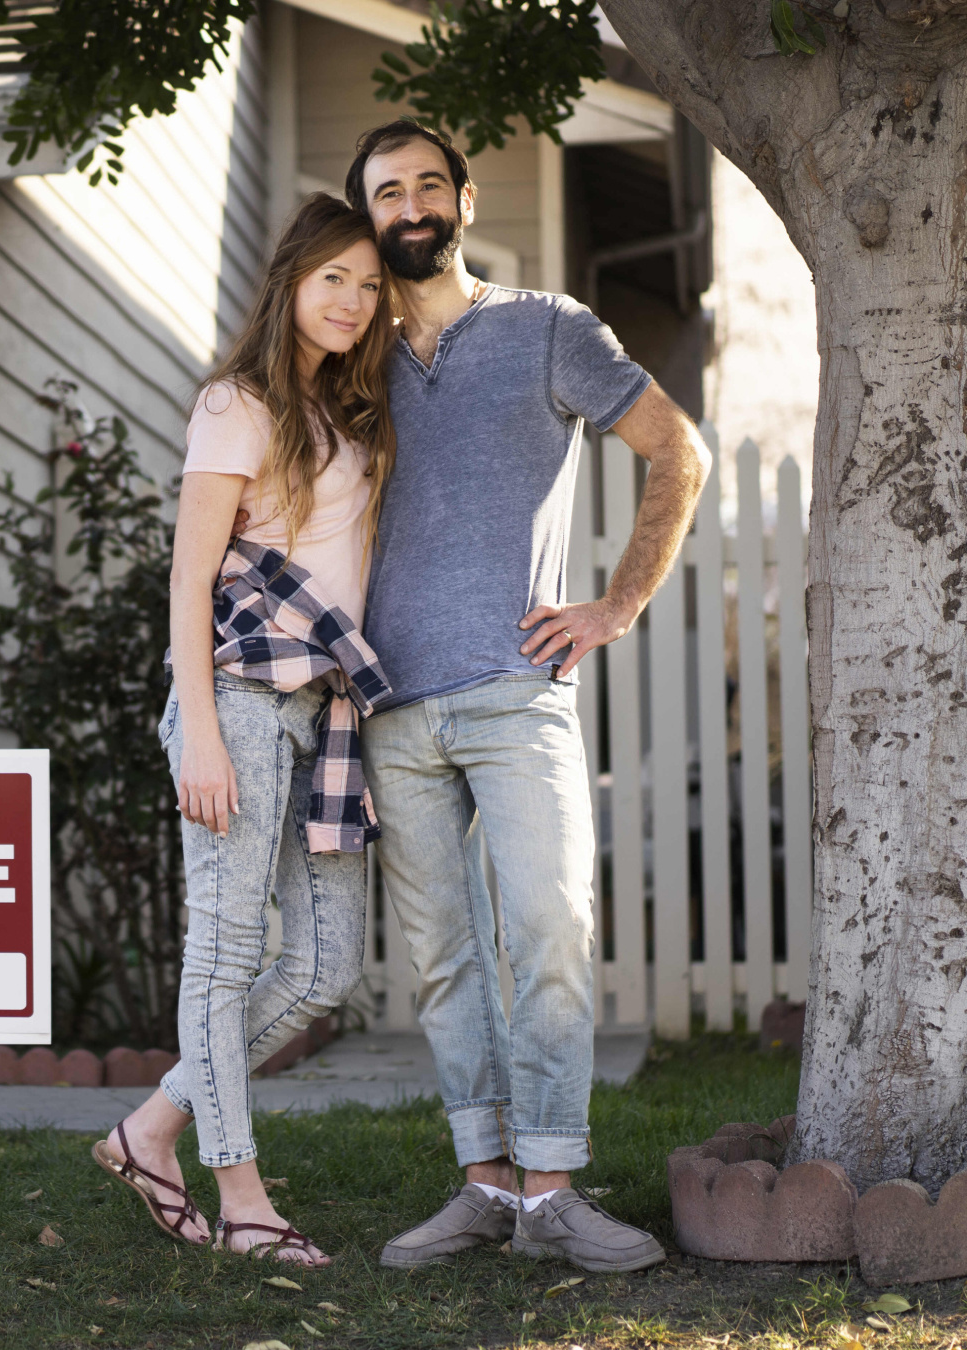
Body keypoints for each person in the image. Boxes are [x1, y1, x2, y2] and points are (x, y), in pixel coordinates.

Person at [343, 119, 710, 1274]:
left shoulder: (548, 330)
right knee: (445, 960)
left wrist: (617, 605)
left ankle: (552, 1188)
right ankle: (485, 1187)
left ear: (462, 196)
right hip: (390, 708)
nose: (409, 206)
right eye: (385, 193)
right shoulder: (348, 355)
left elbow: (675, 448)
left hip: (515, 691)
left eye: (426, 185)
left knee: (550, 929)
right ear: (368, 217)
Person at [93, 194, 397, 1266]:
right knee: (224, 958)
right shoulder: (239, 404)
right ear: (290, 283)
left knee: (324, 969)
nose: (353, 302)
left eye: (369, 286)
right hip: (239, 701)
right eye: (334, 281)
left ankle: (149, 1135)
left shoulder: (348, 415)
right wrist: (205, 736)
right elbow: (186, 581)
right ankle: (244, 1201)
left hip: (324, 717)